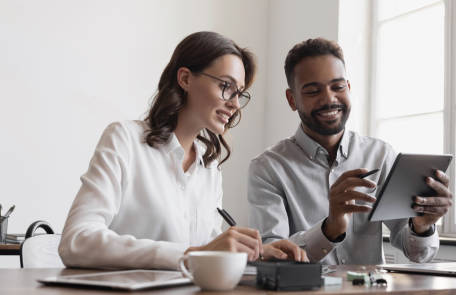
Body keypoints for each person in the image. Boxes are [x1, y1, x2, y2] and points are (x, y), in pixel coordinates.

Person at [59, 31, 307, 270]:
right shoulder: (124, 139)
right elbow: (76, 241)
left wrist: (257, 254)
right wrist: (190, 255)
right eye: (226, 86)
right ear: (186, 79)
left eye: (239, 93)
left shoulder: (209, 166)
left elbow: (208, 249)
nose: (234, 104)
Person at [248, 38, 453, 265]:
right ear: (292, 99)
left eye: (338, 87)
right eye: (313, 91)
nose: (329, 99)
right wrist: (330, 228)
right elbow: (271, 255)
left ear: (349, 87)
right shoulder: (267, 168)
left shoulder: (381, 155)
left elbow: (418, 254)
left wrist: (422, 226)